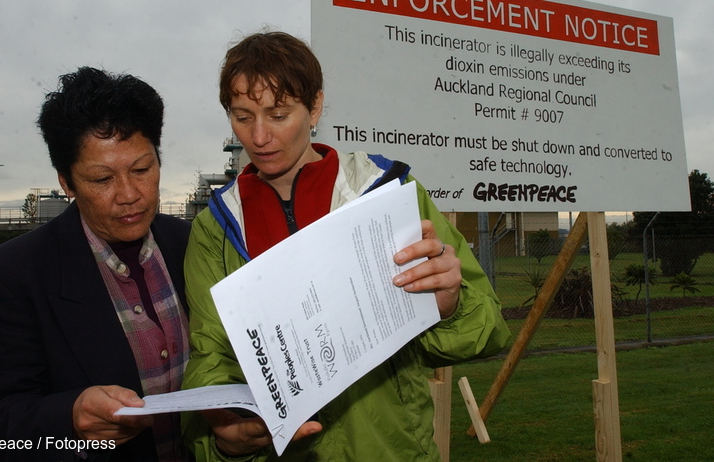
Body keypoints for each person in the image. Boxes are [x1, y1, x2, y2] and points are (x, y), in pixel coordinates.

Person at [181, 31, 511, 461]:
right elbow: (211, 355)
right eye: (243, 117)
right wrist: (226, 434)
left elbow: (487, 330)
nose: (259, 136)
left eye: (278, 115)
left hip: (391, 449)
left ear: (314, 106)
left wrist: (449, 305)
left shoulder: (389, 193)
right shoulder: (216, 229)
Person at [0, 67, 193, 461]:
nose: (129, 194)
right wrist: (67, 419)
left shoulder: (192, 244)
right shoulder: (5, 279)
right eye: (102, 179)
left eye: (142, 169)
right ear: (67, 182)